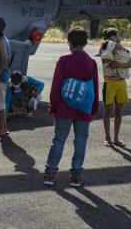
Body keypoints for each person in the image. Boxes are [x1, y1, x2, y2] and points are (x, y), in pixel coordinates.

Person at [44, 26, 99, 187]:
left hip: (64, 108)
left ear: (69, 42)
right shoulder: (91, 62)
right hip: (83, 109)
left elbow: (56, 85)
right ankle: (76, 175)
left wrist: (53, 106)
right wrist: (93, 108)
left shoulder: (63, 60)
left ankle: (50, 173)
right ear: (86, 43)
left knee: (58, 140)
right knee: (80, 141)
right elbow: (93, 88)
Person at [98, 28, 131, 148]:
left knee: (119, 110)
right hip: (109, 83)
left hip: (121, 83)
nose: (119, 38)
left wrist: (119, 65)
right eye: (116, 36)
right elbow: (107, 58)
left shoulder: (122, 48)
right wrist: (119, 48)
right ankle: (107, 138)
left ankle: (116, 138)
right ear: (110, 38)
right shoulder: (105, 47)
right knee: (108, 110)